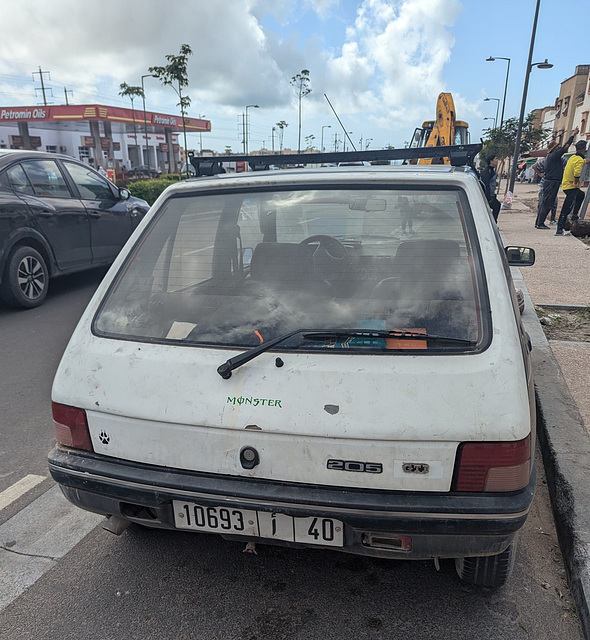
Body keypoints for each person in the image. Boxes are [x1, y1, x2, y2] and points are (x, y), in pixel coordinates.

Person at [535, 128, 578, 229]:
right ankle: (540, 223)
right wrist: (572, 135)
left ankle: (539, 222)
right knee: (548, 203)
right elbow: (565, 147)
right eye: (557, 146)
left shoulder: (551, 157)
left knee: (545, 202)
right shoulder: (554, 156)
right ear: (554, 149)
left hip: (550, 182)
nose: (559, 147)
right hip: (552, 182)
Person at [555, 139, 590, 236]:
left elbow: (583, 161)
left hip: (566, 185)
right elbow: (577, 172)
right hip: (571, 186)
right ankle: (559, 229)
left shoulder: (573, 158)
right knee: (567, 207)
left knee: (581, 195)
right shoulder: (578, 160)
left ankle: (574, 216)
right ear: (584, 149)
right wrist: (575, 182)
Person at [532, 157, 558, 224]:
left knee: (554, 203)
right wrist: (540, 174)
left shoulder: (559, 160)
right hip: (544, 185)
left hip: (552, 185)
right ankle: (539, 221)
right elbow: (534, 166)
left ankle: (552, 219)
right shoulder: (547, 160)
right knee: (542, 203)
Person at [479, 154, 501, 222]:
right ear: (491, 161)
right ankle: (493, 222)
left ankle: (492, 222)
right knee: (496, 206)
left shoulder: (491, 170)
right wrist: (488, 197)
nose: (497, 161)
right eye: (495, 159)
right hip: (487, 196)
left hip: (490, 195)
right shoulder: (487, 171)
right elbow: (486, 184)